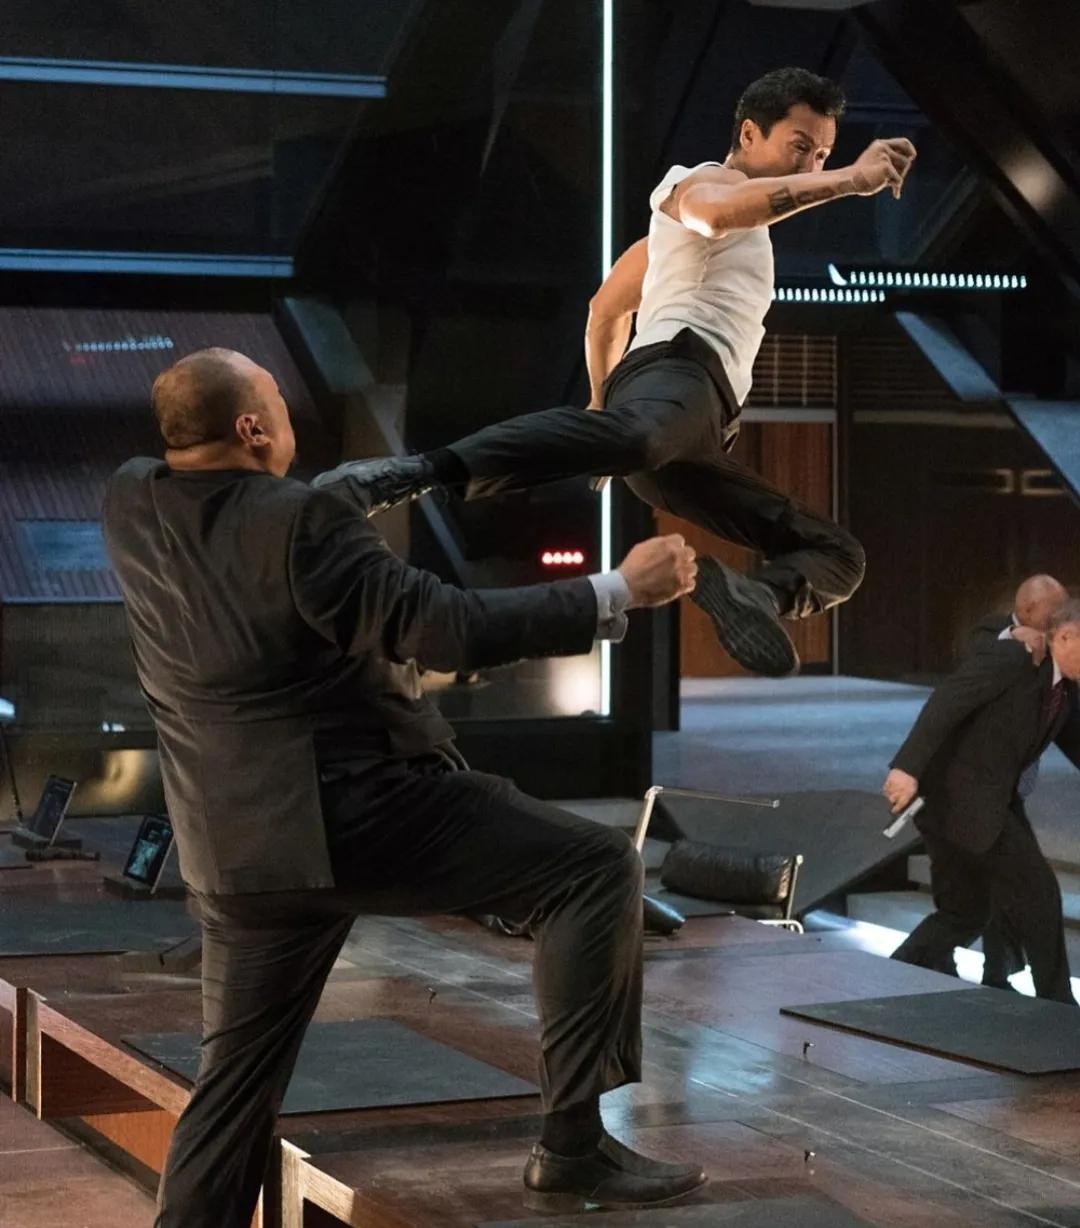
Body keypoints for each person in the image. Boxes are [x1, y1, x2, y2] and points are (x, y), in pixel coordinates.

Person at [102, 348, 705, 1228]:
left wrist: (375, 489)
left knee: (229, 1091)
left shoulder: (132, 501)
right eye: (279, 404)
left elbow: (261, 543)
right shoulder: (303, 523)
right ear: (254, 429)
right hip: (360, 815)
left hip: (236, 852)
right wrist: (616, 590)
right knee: (594, 868)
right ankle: (573, 1148)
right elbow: (447, 627)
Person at [320, 67, 917, 676]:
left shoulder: (693, 241)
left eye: (822, 156)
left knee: (840, 554)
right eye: (800, 147)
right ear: (748, 134)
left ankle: (755, 595)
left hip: (694, 433)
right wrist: (849, 180)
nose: (811, 166)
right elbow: (715, 215)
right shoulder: (697, 182)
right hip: (674, 374)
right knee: (643, 436)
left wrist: (601, 406)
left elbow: (605, 310)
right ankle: (414, 473)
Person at [883, 599, 1080, 1002]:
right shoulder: (1014, 658)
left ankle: (893, 974)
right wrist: (906, 767)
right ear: (1065, 636)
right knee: (1039, 892)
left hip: (990, 800)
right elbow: (948, 700)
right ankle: (1058, 1005)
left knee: (966, 912)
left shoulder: (1065, 689)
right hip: (958, 797)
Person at [967, 574, 1067, 989]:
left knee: (1006, 885)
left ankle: (999, 973)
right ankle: (1051, 994)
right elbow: (972, 657)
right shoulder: (991, 634)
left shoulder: (1059, 651)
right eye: (1054, 610)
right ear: (1026, 611)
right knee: (1028, 886)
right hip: (976, 789)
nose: (1062, 617)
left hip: (1010, 788)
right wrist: (1013, 638)